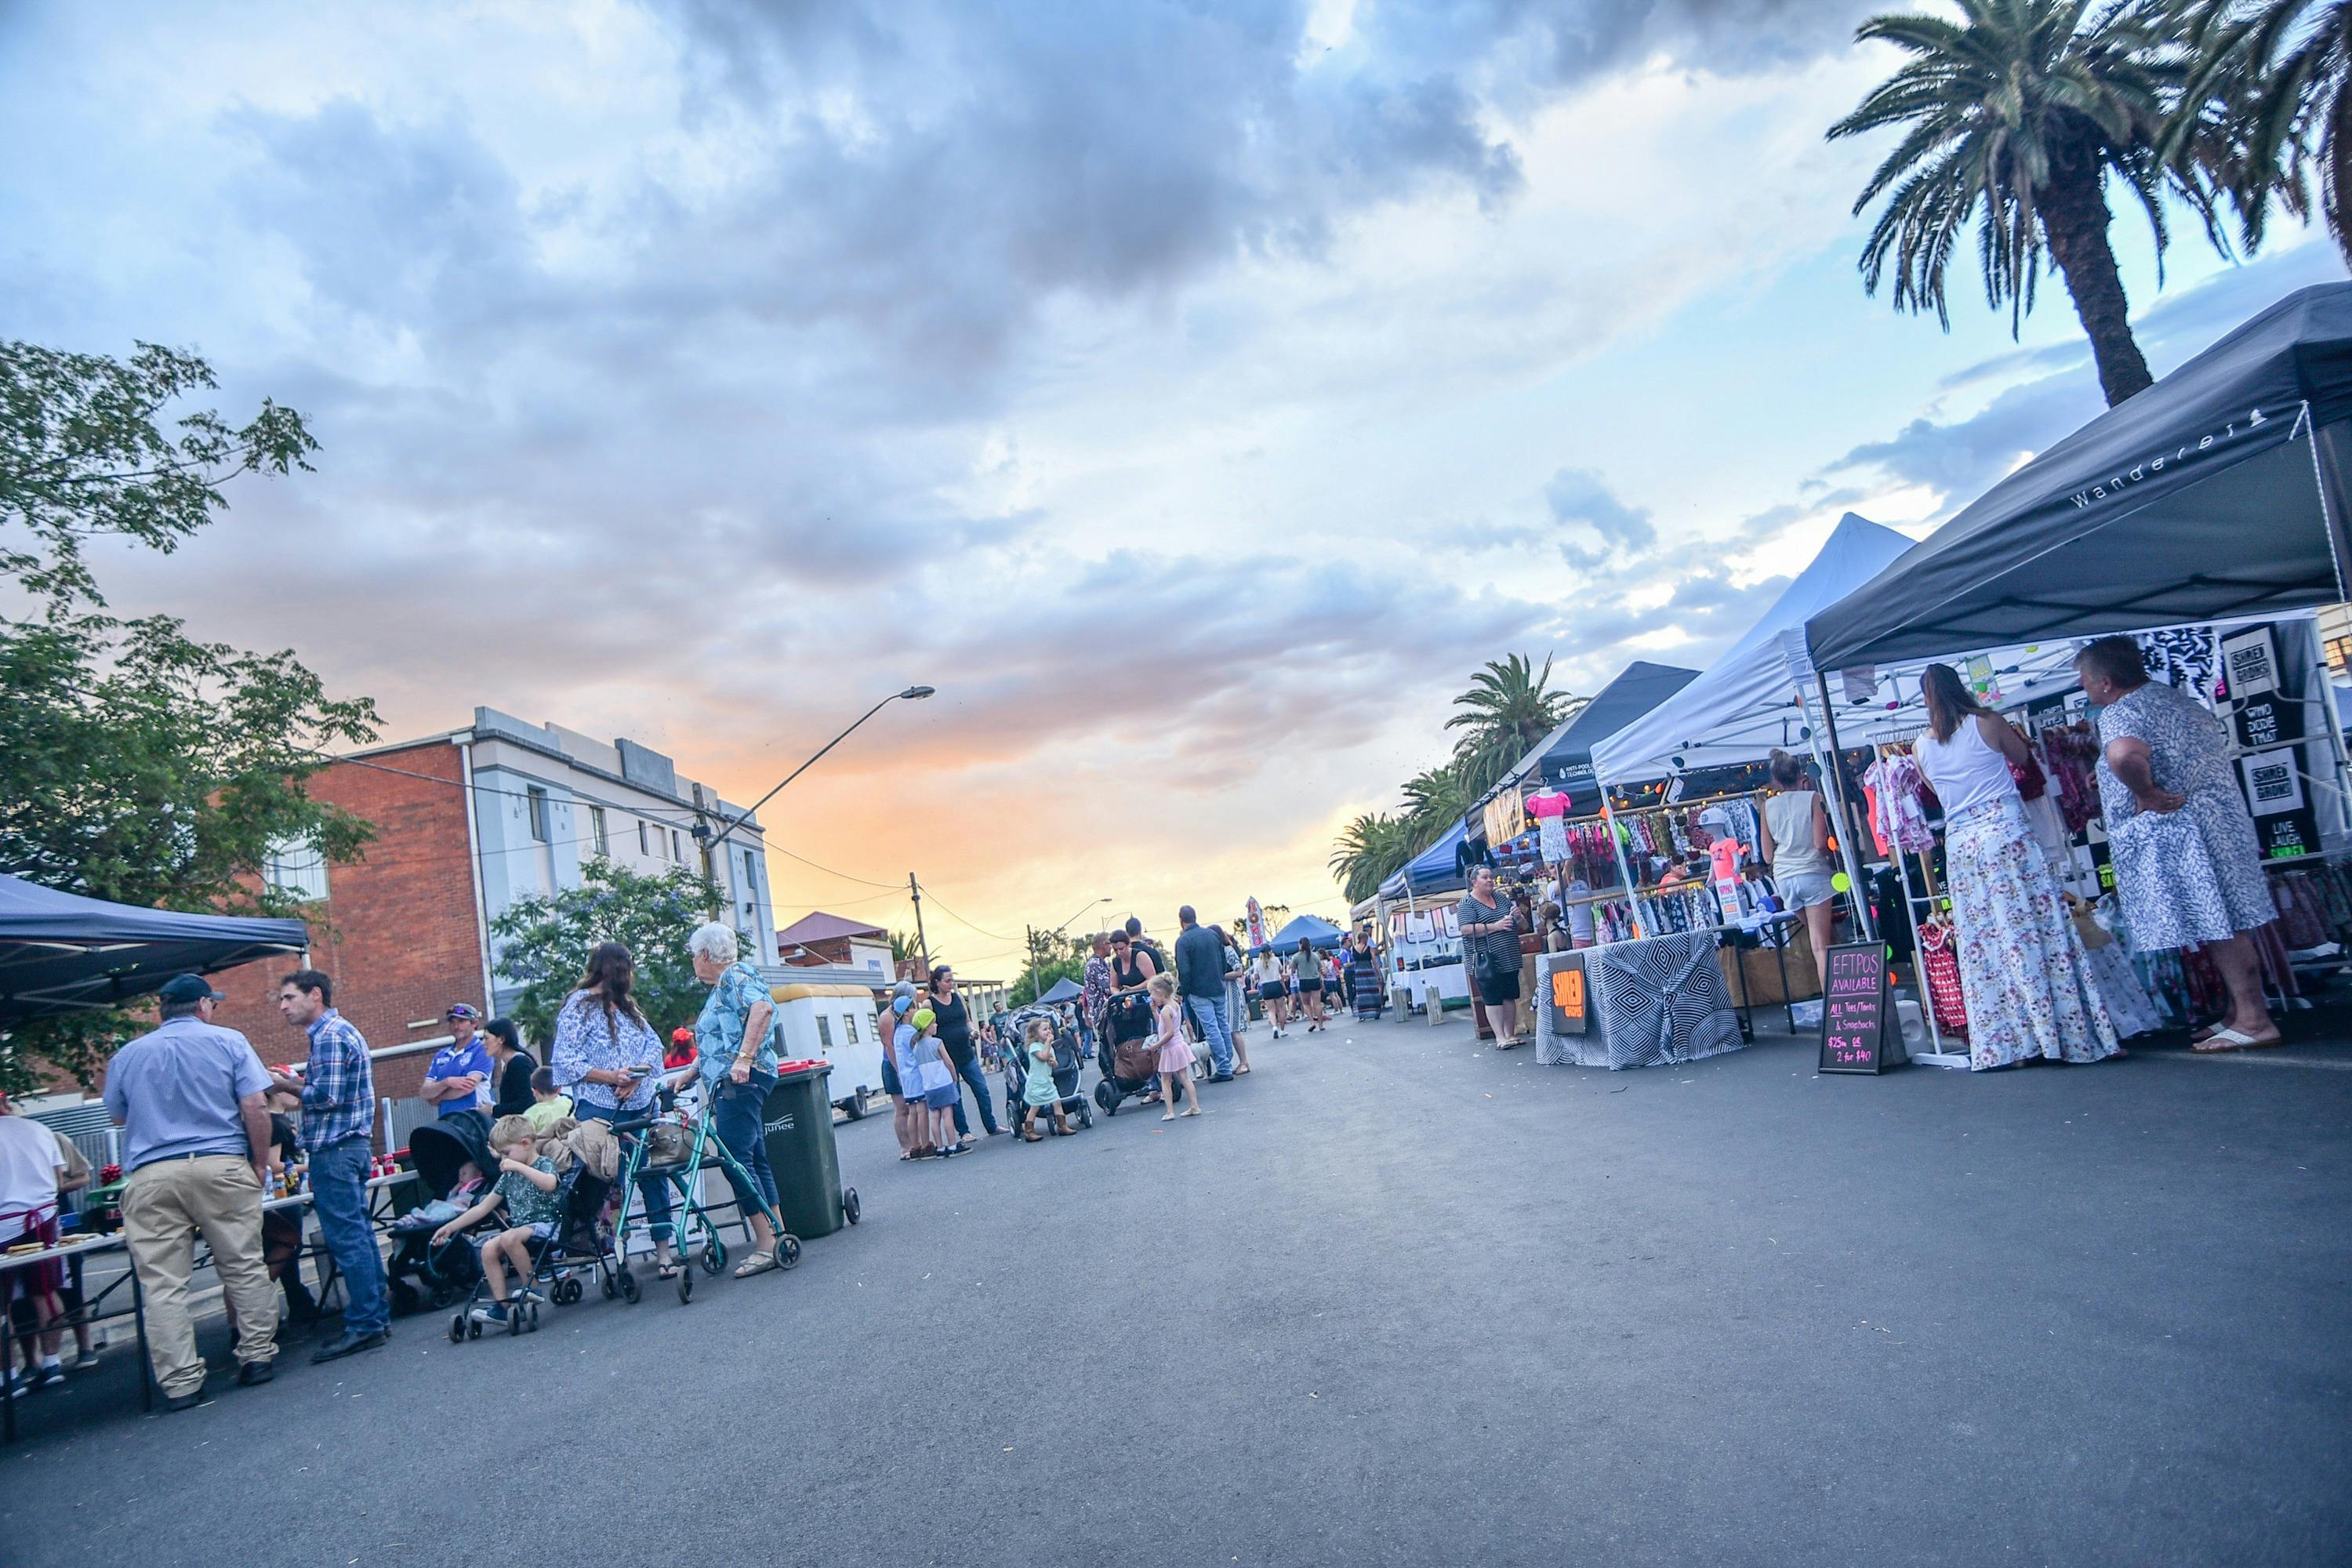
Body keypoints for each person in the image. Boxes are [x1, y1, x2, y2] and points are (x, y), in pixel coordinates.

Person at [1913, 662, 2122, 1071]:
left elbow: (1936, 792)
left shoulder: (1921, 747)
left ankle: (2011, 1042)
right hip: (2006, 832)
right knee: (2037, 930)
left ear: (1926, 699)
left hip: (1963, 844)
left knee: (1985, 943)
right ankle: (2064, 1032)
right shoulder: (1987, 722)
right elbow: (2024, 759)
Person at [2078, 634, 2281, 1050]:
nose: (2083, 687)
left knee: (2220, 925)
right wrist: (2116, 775)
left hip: (2185, 833)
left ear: (2106, 682)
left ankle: (2255, 1021)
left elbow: (2124, 755)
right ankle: (2239, 1013)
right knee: (2225, 920)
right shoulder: (2176, 700)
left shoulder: (2121, 711)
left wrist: (2145, 793)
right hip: (2220, 822)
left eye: (2085, 680)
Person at [100, 973, 278, 1404]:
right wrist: (258, 1163)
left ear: (163, 1010)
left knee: (163, 1285)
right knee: (243, 1266)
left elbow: (118, 1116)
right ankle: (256, 1356)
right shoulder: (230, 1041)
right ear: (202, 1005)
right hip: (221, 1164)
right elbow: (255, 1104)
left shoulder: (128, 1055)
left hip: (152, 1173)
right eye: (212, 1003)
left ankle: (181, 1383)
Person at [270, 969, 390, 1364]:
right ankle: (374, 1317)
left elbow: (326, 1096)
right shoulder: (338, 1033)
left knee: (348, 1237)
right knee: (359, 1233)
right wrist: (297, 1081)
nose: (283, 1006)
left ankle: (366, 1323)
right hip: (350, 1147)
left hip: (335, 1150)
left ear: (315, 995)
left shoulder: (329, 1037)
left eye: (289, 997)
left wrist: (283, 1084)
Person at [546, 942, 681, 1279]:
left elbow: (654, 1045)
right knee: (612, 1183)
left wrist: (636, 1077)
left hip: (640, 1104)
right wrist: (611, 1077)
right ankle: (620, 1255)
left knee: (653, 1175)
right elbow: (564, 1060)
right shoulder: (579, 1006)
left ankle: (664, 1252)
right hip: (601, 1109)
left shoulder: (627, 1007)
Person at [684, 922, 789, 1276]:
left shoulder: (734, 976)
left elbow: (762, 1009)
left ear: (704, 955)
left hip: (742, 1081)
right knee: (753, 1158)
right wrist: (690, 1073)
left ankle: (766, 1244)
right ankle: (778, 1235)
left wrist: (744, 1060)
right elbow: (722, 1040)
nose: (693, 962)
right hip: (739, 1079)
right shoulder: (725, 985)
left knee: (735, 1161)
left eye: (693, 955)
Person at [431, 1115, 561, 1329]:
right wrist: (451, 1227)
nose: (503, 1160)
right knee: (489, 1248)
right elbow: (483, 1207)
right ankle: (502, 1306)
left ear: (525, 1144)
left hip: (548, 1226)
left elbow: (550, 1184)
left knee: (509, 1237)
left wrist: (519, 1167)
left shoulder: (544, 1164)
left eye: (506, 1153)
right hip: (520, 1230)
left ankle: (532, 1287)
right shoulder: (509, 1176)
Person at [0, 1088, 74, 1394]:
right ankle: (51, 1363)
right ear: (6, 1102)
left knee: (2, 1305)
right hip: (43, 1218)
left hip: (3, 1222)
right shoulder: (39, 1129)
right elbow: (59, 1180)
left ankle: (8, 1377)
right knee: (46, 1291)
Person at [1758, 749, 1837, 995]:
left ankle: (1840, 993)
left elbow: (1767, 856)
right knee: (1821, 946)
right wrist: (1833, 861)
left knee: (1823, 937)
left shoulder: (1767, 806)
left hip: (1785, 878)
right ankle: (1835, 1003)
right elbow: (1820, 843)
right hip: (1813, 873)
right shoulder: (1814, 798)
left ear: (1776, 780)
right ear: (1800, 774)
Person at [927, 966, 1004, 1146]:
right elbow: (927, 1028)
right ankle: (964, 1132)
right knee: (955, 1096)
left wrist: (973, 1031)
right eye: (947, 981)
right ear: (937, 982)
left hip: (966, 1052)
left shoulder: (958, 997)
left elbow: (967, 1020)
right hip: (947, 1056)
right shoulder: (929, 1004)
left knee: (982, 1089)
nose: (951, 984)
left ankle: (991, 1125)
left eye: (952, 980)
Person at [1457, 866, 1527, 1047]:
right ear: (1474, 882)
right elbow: (1465, 929)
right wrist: (1495, 926)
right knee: (1492, 996)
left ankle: (1510, 1034)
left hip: (1509, 955)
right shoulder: (1467, 903)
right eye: (1485, 877)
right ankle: (1500, 1037)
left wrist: (1519, 917)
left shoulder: (1501, 898)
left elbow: (1523, 925)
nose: (1490, 880)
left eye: (1491, 877)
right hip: (1486, 959)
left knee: (1509, 995)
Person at [1173, 906, 1236, 1082]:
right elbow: (1223, 960)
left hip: (1198, 991)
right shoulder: (1212, 935)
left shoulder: (1183, 941)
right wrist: (1220, 977)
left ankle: (1223, 1067)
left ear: (1181, 920)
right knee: (1223, 1025)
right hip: (1217, 986)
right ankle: (1227, 1060)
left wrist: (1183, 991)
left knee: (1211, 1028)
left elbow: (1184, 970)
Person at [898, 1007, 961, 1158]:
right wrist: (954, 1077)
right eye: (933, 1023)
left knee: (934, 1117)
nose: (936, 1025)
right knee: (947, 1115)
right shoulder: (937, 1042)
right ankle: (952, 1144)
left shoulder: (916, 1047)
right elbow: (949, 1062)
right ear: (927, 1026)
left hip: (929, 1087)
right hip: (943, 1083)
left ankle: (940, 1147)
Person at [419, 1004, 494, 1120]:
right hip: (447, 1121)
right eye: (452, 1022)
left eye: (461, 1021)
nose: (456, 1026)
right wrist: (447, 1082)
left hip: (475, 1119)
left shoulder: (482, 1049)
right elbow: (425, 1092)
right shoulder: (441, 1055)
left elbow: (467, 1087)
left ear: (474, 1023)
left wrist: (439, 1097)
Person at [1147, 973, 1201, 1121]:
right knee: (1184, 1077)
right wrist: (1154, 1012)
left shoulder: (1166, 1011)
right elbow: (1163, 1024)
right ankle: (1194, 1105)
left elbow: (1169, 1032)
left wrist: (1157, 1045)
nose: (1151, 997)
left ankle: (1170, 1111)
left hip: (1170, 1048)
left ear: (1159, 993)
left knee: (1166, 1080)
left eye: (1152, 994)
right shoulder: (1175, 1005)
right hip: (1179, 1045)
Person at [877, 984, 920, 1159]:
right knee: (902, 1108)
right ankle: (905, 1147)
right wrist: (899, 1071)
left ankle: (916, 1143)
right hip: (893, 1065)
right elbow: (889, 1046)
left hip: (908, 1063)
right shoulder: (887, 1017)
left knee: (913, 1106)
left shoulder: (905, 1014)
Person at [1018, 1018, 1074, 1140]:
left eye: (1049, 1028)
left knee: (1057, 1102)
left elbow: (1054, 1063)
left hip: (1048, 1081)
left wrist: (1054, 1063)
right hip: (1037, 1082)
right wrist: (1048, 1044)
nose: (1048, 1031)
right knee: (1035, 1107)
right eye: (1044, 1029)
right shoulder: (1034, 1047)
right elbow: (1043, 1057)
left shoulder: (1050, 1047)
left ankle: (1062, 1126)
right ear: (1035, 1033)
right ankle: (1029, 1131)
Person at [484, 1017, 537, 1120]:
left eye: (486, 1038)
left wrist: (493, 1110)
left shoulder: (519, 1063)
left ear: (501, 1039)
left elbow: (527, 1102)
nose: (483, 1043)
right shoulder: (510, 1064)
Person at [1080, 935, 1115, 1058]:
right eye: (1110, 944)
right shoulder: (1095, 965)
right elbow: (1108, 987)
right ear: (1103, 945)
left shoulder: (1099, 964)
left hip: (1102, 1015)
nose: (1112, 947)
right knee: (1110, 1049)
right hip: (1103, 1015)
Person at [1290, 938, 1327, 1033]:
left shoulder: (1296, 957)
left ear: (1300, 945)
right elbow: (1320, 968)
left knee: (1306, 1003)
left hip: (1304, 980)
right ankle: (1321, 1024)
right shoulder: (1315, 955)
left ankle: (1312, 1022)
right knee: (1317, 1003)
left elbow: (1293, 970)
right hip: (1315, 980)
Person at [1251, 948, 1290, 1037]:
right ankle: (1282, 1030)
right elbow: (1281, 971)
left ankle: (1274, 1027)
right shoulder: (1275, 960)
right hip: (1276, 984)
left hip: (1266, 986)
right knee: (1281, 1008)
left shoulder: (1258, 963)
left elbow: (1256, 977)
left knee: (1271, 1010)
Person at [521, 1067, 572, 1134]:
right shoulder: (569, 1103)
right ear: (559, 1089)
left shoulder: (531, 1114)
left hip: (542, 1140)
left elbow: (523, 1135)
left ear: (534, 1092)